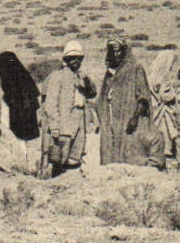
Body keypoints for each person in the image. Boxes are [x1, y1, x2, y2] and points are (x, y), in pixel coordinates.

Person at [98, 38, 161, 168]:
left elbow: (143, 96)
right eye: (112, 52)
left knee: (130, 150)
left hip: (128, 114)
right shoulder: (110, 72)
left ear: (124, 51)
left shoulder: (135, 68)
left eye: (118, 51)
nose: (115, 55)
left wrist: (135, 117)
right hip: (112, 117)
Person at [39, 40, 96, 177]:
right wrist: (54, 125)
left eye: (78, 58)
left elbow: (92, 94)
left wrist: (87, 81)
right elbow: (50, 103)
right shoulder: (57, 77)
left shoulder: (82, 77)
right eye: (71, 58)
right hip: (63, 121)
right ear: (66, 59)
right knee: (58, 156)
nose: (75, 61)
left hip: (79, 119)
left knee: (75, 156)